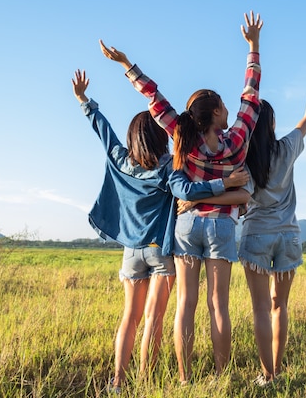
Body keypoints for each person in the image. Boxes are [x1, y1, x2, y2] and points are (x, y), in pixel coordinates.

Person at [99, 11, 263, 382]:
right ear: (218, 113)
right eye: (223, 105)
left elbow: (154, 99)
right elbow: (251, 97)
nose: (228, 109)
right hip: (220, 226)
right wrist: (253, 47)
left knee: (184, 306)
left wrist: (127, 65)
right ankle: (221, 377)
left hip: (187, 225)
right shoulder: (236, 140)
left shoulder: (183, 139)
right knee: (218, 305)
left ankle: (186, 378)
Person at [71, 70, 249, 392]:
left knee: (130, 317)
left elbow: (104, 132)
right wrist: (224, 184)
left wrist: (86, 103)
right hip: (161, 251)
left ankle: (117, 381)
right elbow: (188, 190)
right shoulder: (168, 166)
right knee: (153, 319)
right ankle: (144, 380)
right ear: (158, 137)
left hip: (130, 252)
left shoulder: (120, 159)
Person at [240, 67, 306, 386]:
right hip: (289, 237)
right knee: (280, 306)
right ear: (273, 125)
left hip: (256, 236)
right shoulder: (287, 147)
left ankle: (267, 376)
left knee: (261, 309)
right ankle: (277, 372)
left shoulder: (244, 160)